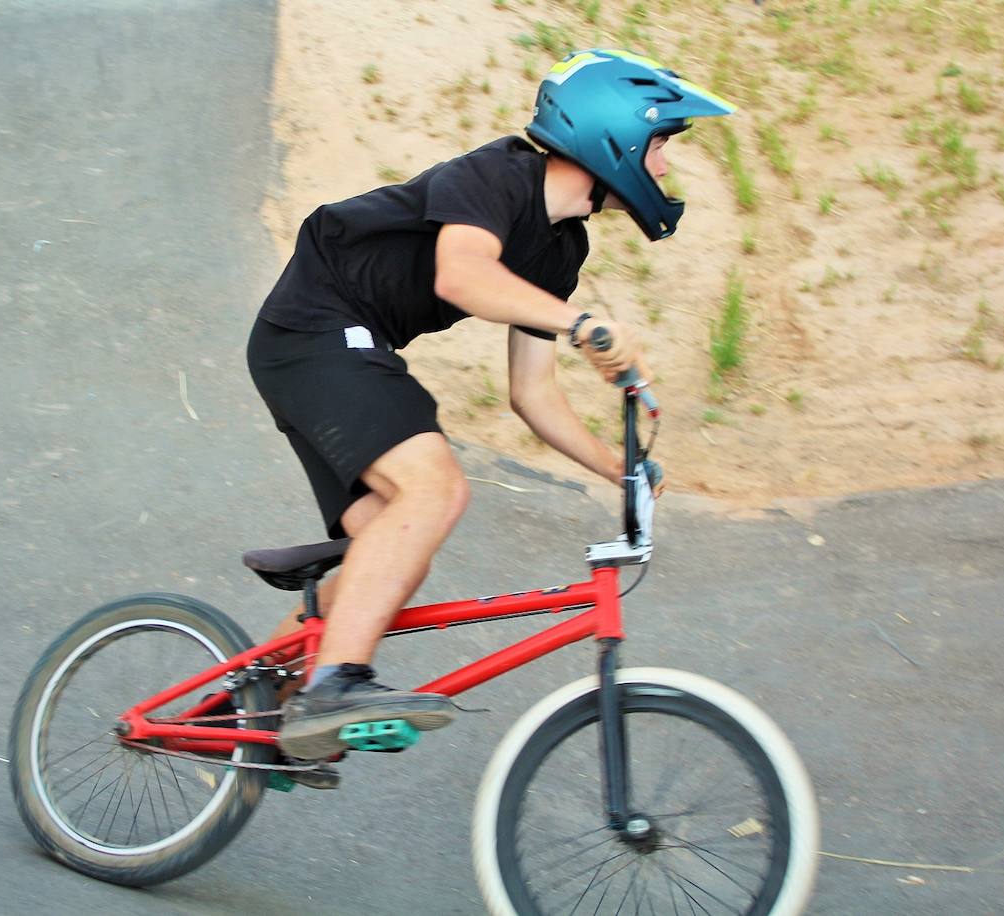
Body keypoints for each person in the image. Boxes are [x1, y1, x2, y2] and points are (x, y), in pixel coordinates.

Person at [246, 49, 735, 775]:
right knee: (436, 487)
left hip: (340, 346)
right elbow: (462, 273)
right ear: (617, 137)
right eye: (661, 145)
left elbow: (531, 392)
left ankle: (255, 701)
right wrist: (583, 325)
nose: (665, 167)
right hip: (316, 325)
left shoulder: (561, 246)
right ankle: (332, 688)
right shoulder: (499, 174)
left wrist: (619, 468)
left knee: (393, 551)